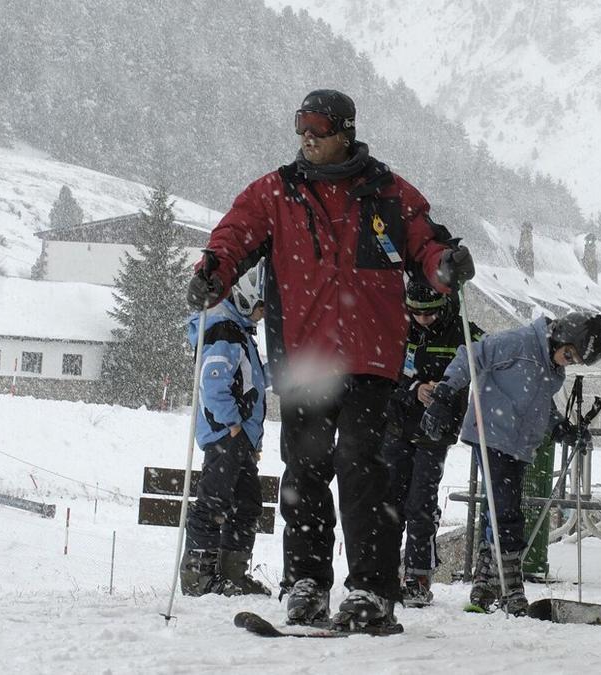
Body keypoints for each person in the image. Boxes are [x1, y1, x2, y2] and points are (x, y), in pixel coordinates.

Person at [185, 89, 475, 632]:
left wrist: (444, 264)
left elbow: (425, 242)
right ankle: (308, 582)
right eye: (301, 128)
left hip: (370, 362)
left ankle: (370, 588)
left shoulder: (388, 192)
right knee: (306, 470)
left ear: (346, 130)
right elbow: (233, 235)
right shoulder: (277, 192)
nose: (307, 137)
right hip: (303, 360)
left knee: (362, 469)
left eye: (318, 127)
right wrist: (214, 270)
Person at [421, 310, 601, 615]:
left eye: (574, 361)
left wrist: (560, 428)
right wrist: (445, 393)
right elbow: (472, 354)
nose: (568, 362)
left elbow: (539, 403)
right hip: (492, 433)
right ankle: (511, 586)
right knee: (506, 512)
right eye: (570, 354)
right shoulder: (518, 342)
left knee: (497, 511)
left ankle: (484, 584)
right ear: (561, 335)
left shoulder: (550, 367)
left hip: (519, 445)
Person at [381, 282, 484, 607]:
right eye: (416, 313)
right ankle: (383, 572)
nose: (423, 320)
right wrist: (414, 388)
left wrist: (446, 390)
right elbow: (384, 369)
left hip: (436, 431)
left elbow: (482, 358)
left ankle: (418, 575)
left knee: (421, 503)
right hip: (398, 423)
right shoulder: (396, 325)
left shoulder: (462, 331)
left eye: (430, 314)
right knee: (389, 501)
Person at [180, 263, 270, 597]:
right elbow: (213, 382)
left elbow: (254, 380)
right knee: (213, 501)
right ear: (247, 299)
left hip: (242, 436)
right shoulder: (225, 331)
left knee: (247, 504)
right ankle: (198, 577)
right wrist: (232, 423)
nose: (262, 315)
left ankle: (233, 572)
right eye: (260, 307)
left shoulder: (240, 331)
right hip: (226, 435)